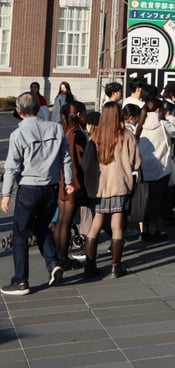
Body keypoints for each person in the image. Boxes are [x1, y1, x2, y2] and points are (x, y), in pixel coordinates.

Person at [1, 92, 74, 295]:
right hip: (51, 186)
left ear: (18, 111)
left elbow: (12, 167)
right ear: (38, 108)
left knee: (20, 234)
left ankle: (21, 280)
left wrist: (6, 194)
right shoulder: (55, 128)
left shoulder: (18, 134)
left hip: (29, 187)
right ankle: (53, 263)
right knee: (42, 227)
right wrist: (68, 182)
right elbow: (65, 158)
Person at [81, 102, 141, 278]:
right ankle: (116, 266)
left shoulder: (94, 137)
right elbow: (136, 162)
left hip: (99, 188)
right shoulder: (127, 136)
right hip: (120, 186)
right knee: (117, 225)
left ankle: (90, 265)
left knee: (95, 224)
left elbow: (85, 164)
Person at [135, 85, 175, 241]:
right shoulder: (163, 125)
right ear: (158, 110)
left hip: (143, 169)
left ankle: (143, 230)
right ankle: (153, 230)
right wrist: (169, 116)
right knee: (156, 201)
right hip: (161, 169)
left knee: (144, 202)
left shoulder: (139, 126)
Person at [53, 100, 88, 269]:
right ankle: (62, 258)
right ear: (79, 114)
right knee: (66, 221)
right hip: (73, 180)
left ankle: (58, 256)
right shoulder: (76, 133)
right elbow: (80, 160)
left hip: (62, 179)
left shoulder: (64, 130)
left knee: (61, 221)